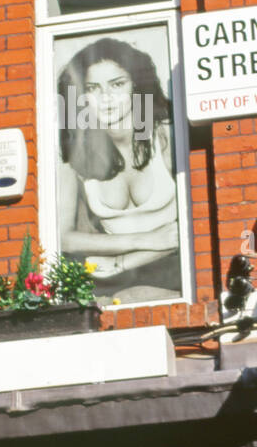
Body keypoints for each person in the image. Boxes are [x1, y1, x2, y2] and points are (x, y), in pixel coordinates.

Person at [56, 36, 181, 303]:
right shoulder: (75, 158)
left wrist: (121, 262)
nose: (107, 99)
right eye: (93, 88)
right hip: (117, 281)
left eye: (117, 84)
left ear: (136, 86)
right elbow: (63, 238)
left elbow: (187, 230)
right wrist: (144, 240)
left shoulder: (165, 138)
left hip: (179, 272)